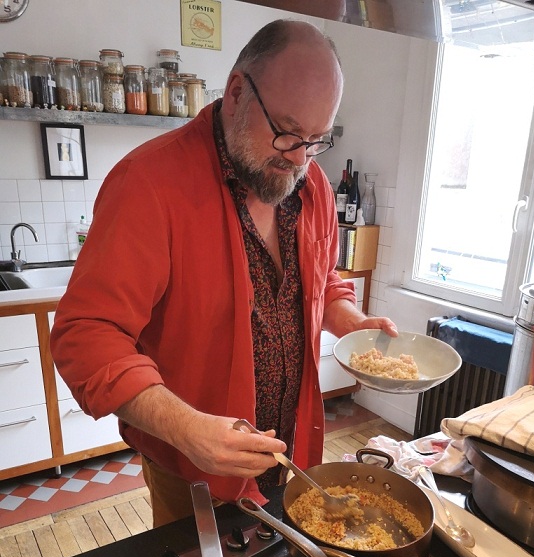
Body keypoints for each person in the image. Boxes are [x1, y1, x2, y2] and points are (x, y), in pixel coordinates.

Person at [50, 19, 398, 527]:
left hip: (291, 455)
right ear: (236, 92)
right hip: (193, 470)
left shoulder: (312, 184)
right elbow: (85, 335)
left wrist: (346, 317)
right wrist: (187, 428)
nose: (299, 157)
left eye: (317, 139)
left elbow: (321, 279)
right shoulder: (149, 184)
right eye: (286, 132)